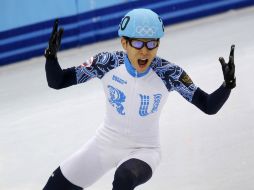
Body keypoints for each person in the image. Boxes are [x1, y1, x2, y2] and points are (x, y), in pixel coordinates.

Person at [43, 8, 236, 190]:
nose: (145, 51)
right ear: (124, 43)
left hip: (144, 151)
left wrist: (226, 85)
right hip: (104, 144)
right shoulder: (107, 63)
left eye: (152, 43)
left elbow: (208, 105)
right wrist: (51, 58)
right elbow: (58, 81)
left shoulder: (169, 73)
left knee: (124, 179)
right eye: (138, 43)